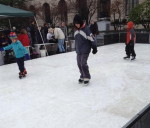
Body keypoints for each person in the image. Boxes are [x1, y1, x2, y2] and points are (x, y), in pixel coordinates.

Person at [73, 14, 97, 85]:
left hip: (85, 49)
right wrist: (76, 48)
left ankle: (86, 76)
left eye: (77, 23)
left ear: (80, 22)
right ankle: (82, 75)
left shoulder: (86, 29)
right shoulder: (75, 30)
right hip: (78, 50)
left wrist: (94, 47)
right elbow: (76, 40)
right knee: (79, 64)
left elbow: (92, 39)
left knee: (83, 63)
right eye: (75, 24)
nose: (76, 25)